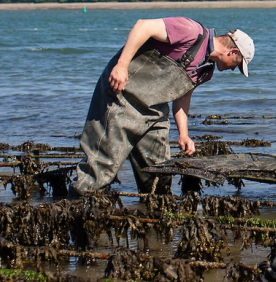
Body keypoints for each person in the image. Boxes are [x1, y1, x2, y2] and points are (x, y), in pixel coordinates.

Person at [71, 16, 254, 195]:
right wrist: (121, 65)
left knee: (159, 175)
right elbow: (143, 26)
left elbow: (182, 98)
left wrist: (184, 134)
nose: (233, 70)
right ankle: (78, 209)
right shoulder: (191, 31)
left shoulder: (206, 71)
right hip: (121, 99)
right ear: (233, 52)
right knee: (102, 166)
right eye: (237, 65)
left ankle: (152, 215)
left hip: (154, 113)